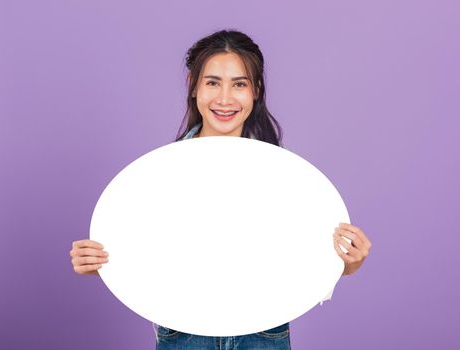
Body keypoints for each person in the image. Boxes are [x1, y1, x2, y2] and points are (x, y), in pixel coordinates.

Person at [70, 29, 372, 350]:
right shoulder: (156, 179)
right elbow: (150, 254)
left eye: (239, 84)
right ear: (193, 86)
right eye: (213, 82)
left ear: (255, 90)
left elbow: (297, 258)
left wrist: (347, 263)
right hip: (184, 336)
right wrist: (102, 262)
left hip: (263, 335)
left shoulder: (287, 179)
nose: (225, 98)